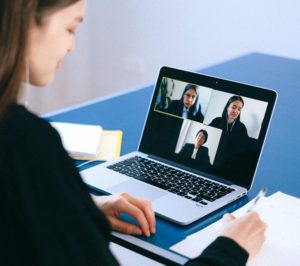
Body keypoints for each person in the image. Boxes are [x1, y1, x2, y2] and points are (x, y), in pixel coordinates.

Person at [0, 1, 266, 265]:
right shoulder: (27, 144)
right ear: (23, 21)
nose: (72, 46)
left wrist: (81, 208)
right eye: (70, 29)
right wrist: (231, 247)